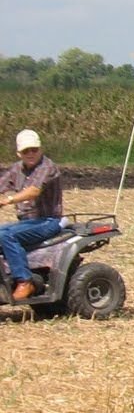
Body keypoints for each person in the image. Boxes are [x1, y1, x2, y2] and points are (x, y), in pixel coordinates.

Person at [0, 129, 65, 301]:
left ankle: (24, 280)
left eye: (34, 150)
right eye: (25, 151)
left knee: (5, 235)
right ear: (18, 153)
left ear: (40, 149)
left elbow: (33, 191)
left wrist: (8, 200)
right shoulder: (17, 169)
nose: (30, 154)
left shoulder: (47, 167)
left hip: (48, 221)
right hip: (26, 222)